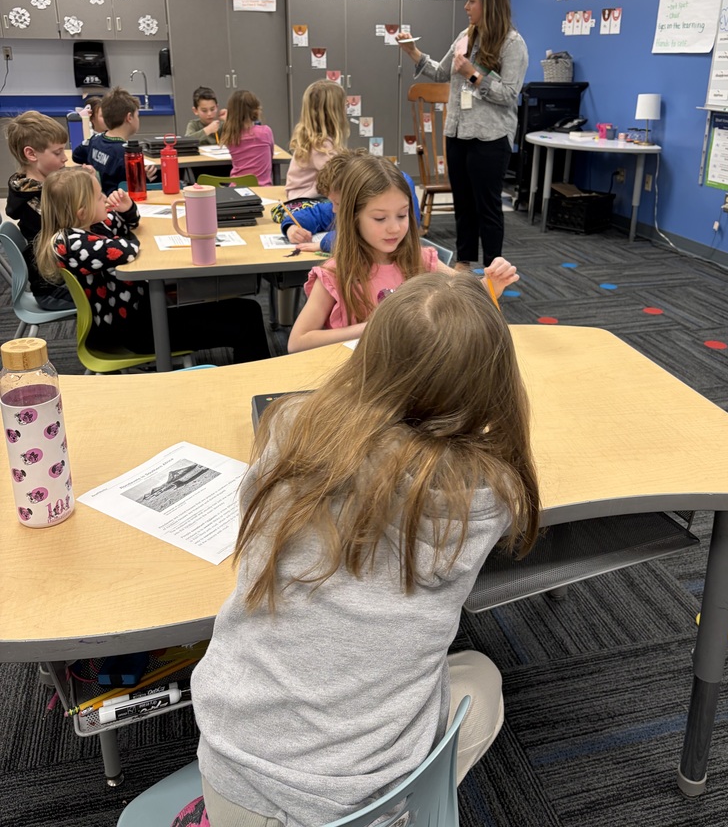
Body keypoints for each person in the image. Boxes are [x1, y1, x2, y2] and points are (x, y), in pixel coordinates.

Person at [192, 271, 541, 827]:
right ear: (493, 386)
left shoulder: (288, 429)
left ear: (369, 359)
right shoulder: (488, 497)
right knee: (482, 679)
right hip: (360, 806)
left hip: (228, 778)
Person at [35, 167, 270, 365]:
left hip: (141, 314)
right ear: (81, 211)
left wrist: (126, 208)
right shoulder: (70, 243)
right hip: (133, 332)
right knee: (246, 318)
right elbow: (125, 250)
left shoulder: (89, 227)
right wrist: (125, 237)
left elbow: (127, 223)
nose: (106, 200)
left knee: (247, 310)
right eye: (99, 198)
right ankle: (254, 384)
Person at [288, 156, 517, 352]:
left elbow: (468, 291)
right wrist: (371, 327)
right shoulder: (335, 273)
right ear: (353, 218)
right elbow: (297, 342)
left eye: (402, 215)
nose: (394, 228)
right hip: (359, 382)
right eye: (380, 218)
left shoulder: (417, 258)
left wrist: (493, 284)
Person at [398, 0, 528, 271]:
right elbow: (442, 73)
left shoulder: (513, 44)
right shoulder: (465, 36)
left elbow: (509, 94)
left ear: (489, 5)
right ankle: (464, 263)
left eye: (472, 1)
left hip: (490, 137)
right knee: (464, 203)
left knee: (488, 206)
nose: (466, 6)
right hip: (457, 133)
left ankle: (495, 269)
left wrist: (473, 73)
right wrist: (412, 52)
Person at [281, 151, 421, 253]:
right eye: (333, 203)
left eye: (338, 204)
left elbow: (360, 236)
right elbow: (318, 213)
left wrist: (325, 243)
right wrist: (291, 227)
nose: (334, 210)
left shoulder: (394, 189)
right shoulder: (342, 197)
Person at [4, 110, 73, 311]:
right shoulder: (36, 201)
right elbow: (73, 232)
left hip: (60, 277)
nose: (64, 159)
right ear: (31, 154)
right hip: (55, 288)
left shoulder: (31, 187)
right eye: (57, 152)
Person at [70, 86, 158, 194]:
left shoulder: (94, 140)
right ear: (129, 117)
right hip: (117, 205)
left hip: (99, 200)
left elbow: (76, 156)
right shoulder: (127, 155)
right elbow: (136, 190)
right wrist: (145, 178)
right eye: (137, 115)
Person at [284, 80, 349, 201]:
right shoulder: (321, 145)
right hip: (306, 202)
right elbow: (340, 179)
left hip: (300, 198)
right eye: (345, 105)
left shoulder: (315, 139)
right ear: (335, 112)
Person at [219, 90, 275, 185]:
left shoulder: (231, 136)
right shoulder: (265, 132)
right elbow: (271, 156)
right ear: (256, 110)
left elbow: (234, 125)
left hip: (236, 190)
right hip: (262, 190)